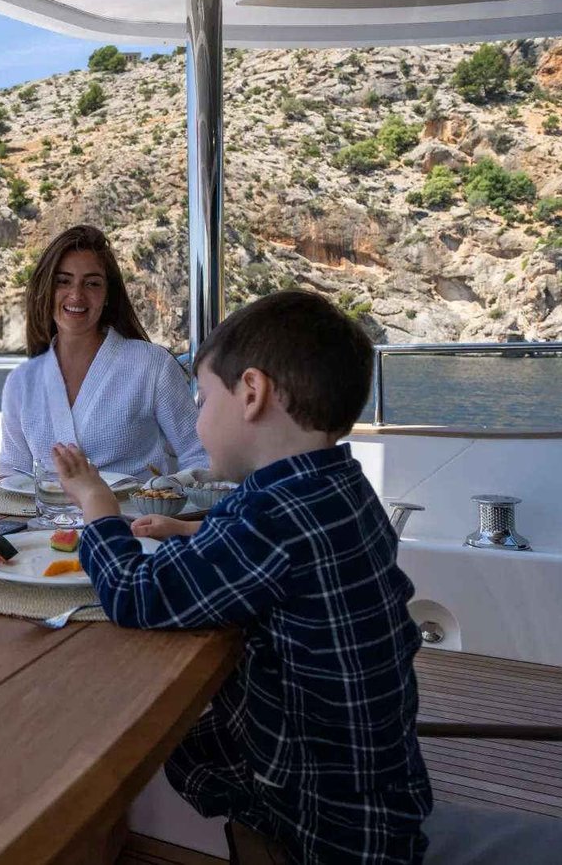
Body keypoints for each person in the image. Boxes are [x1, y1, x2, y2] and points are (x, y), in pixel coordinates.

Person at [52, 290, 429, 864]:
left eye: (203, 399)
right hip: (379, 784)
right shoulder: (339, 488)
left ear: (252, 393)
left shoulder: (272, 517)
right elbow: (278, 552)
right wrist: (191, 532)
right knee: (194, 740)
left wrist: (97, 504)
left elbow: (134, 595)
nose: (197, 419)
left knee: (170, 742)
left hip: (328, 823)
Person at [0, 224, 206, 481]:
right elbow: (12, 474)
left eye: (92, 284)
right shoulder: (21, 382)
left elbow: (199, 455)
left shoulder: (152, 365)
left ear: (108, 294)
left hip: (135, 507)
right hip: (45, 509)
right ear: (46, 290)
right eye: (63, 281)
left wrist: (161, 494)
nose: (76, 295)